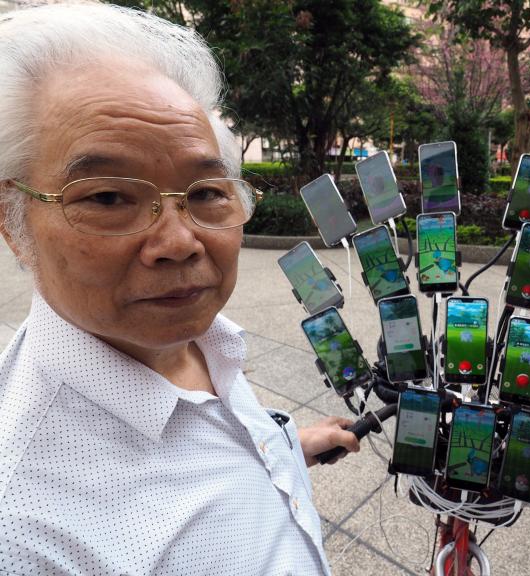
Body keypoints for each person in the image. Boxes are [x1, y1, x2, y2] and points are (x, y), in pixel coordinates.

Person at [0, 3, 359, 574]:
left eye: (206, 193)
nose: (180, 241)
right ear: (13, 223)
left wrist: (285, 444)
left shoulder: (198, 342)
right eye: (108, 197)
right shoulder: (22, 531)